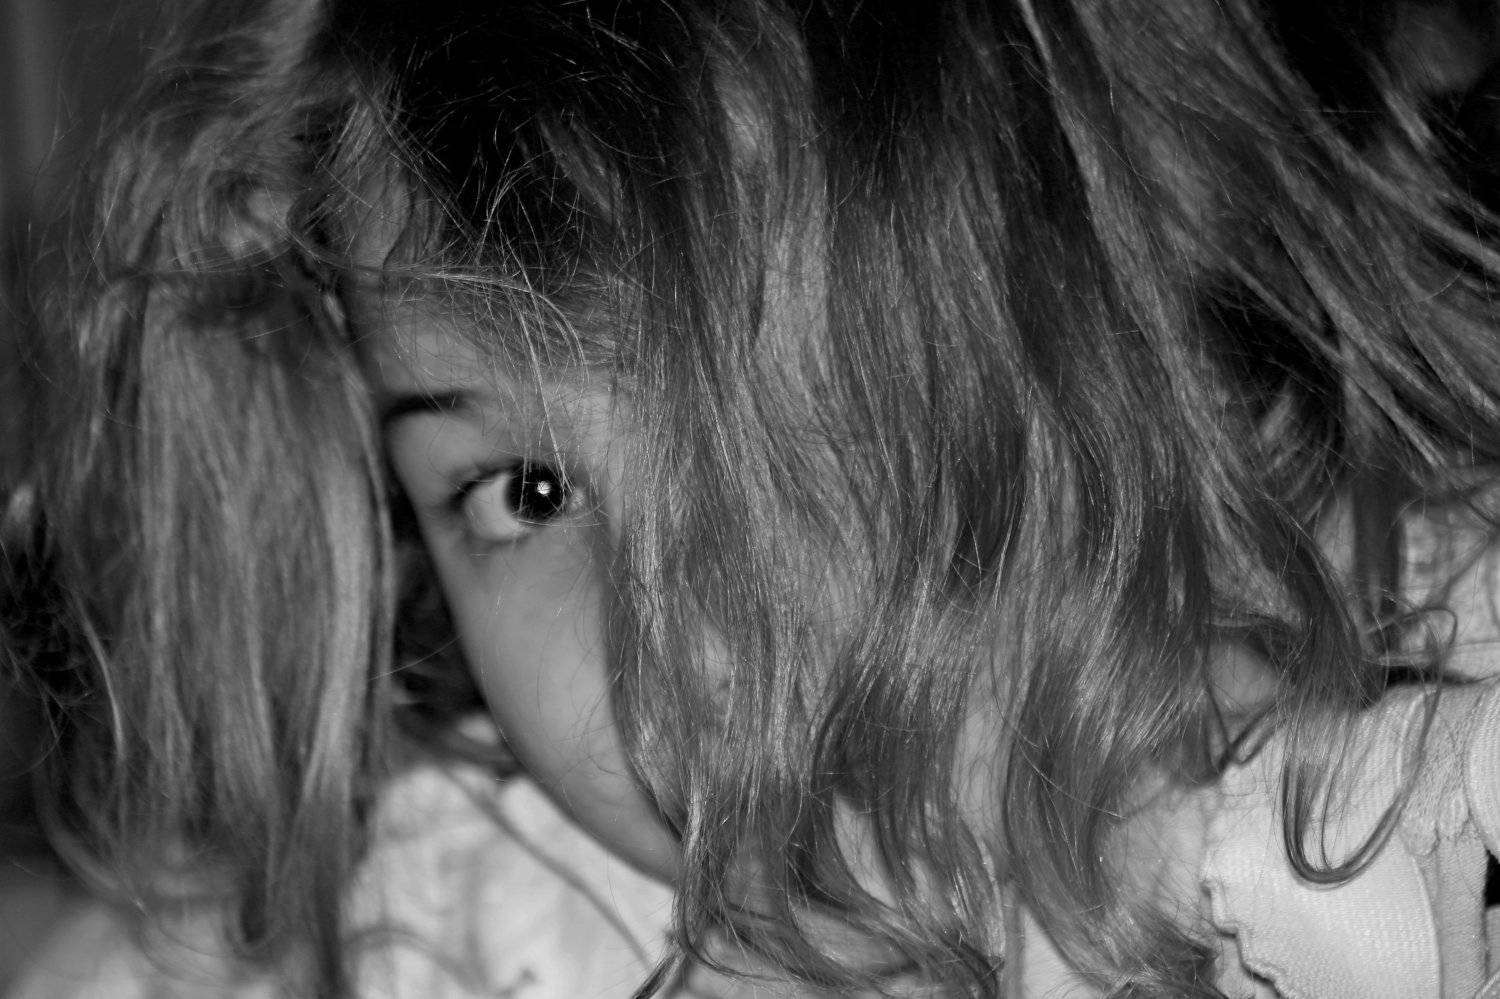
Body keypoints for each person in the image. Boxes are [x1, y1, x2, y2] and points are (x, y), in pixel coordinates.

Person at [6, 0, 1500, 995]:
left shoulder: (1402, 849)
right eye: (529, 489)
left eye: (778, 426)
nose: (671, 645)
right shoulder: (481, 910)